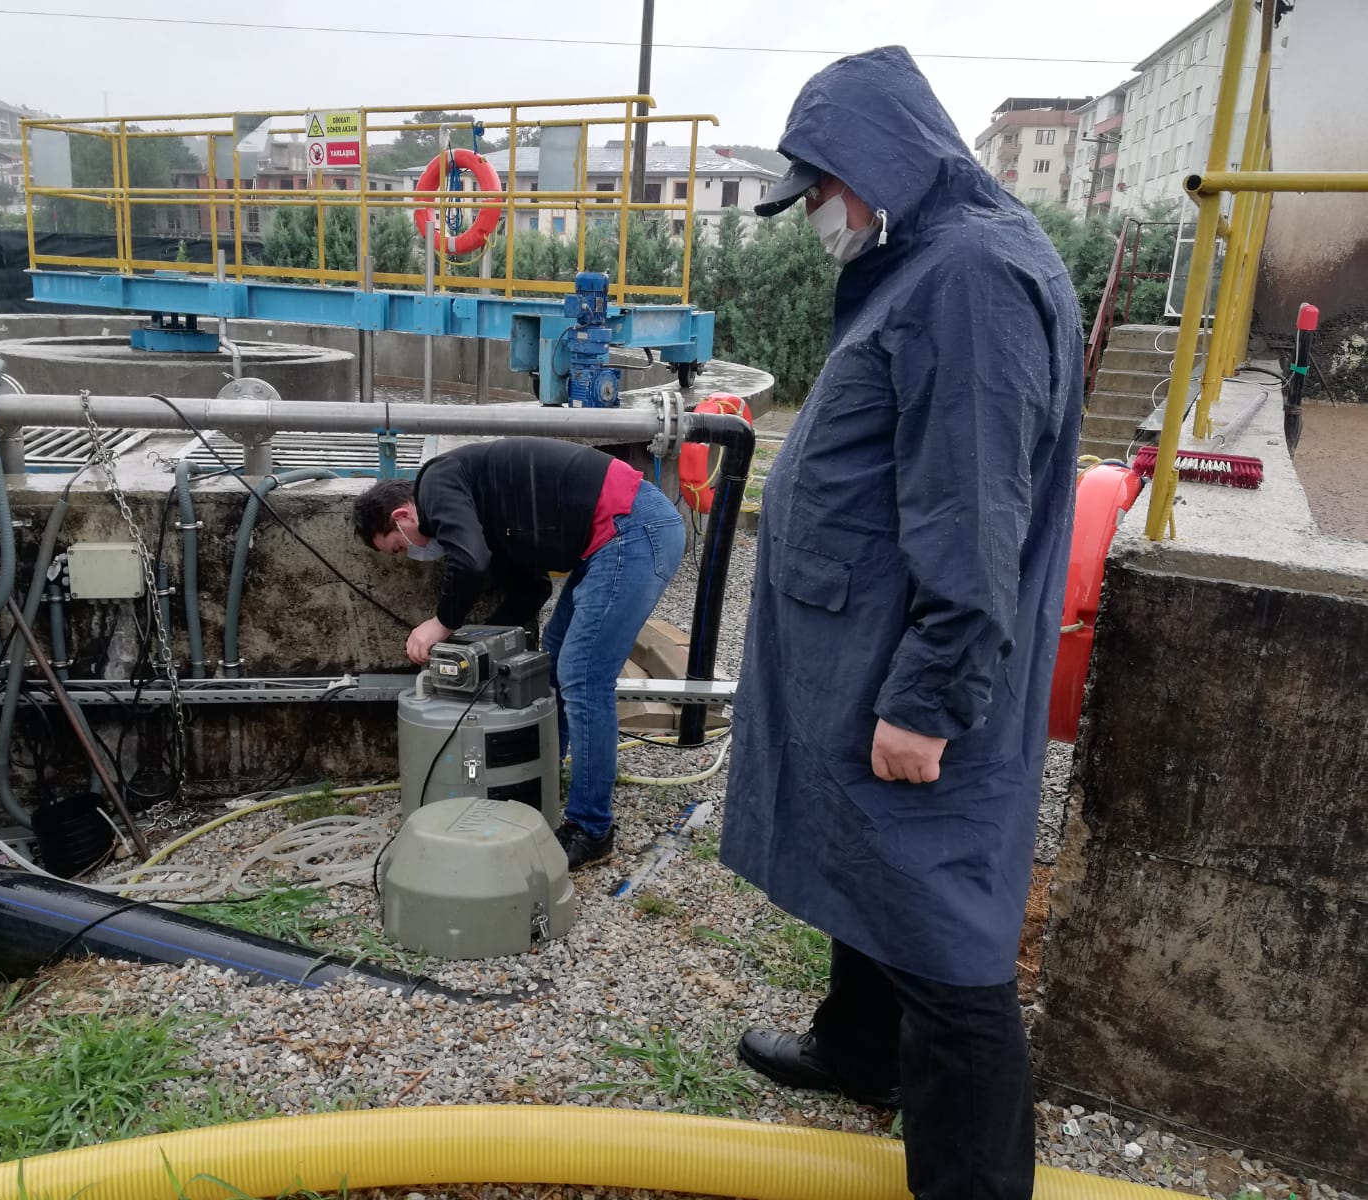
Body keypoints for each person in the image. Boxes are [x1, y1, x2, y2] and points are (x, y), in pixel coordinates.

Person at [719, 46, 1083, 1200]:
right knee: (864, 861)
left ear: (874, 164)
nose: (816, 216)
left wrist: (926, 700)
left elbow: (972, 518)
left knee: (945, 939)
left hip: (905, 666)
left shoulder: (969, 280)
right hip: (859, 645)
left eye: (819, 191)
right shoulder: (925, 256)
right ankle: (858, 1050)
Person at [353, 436, 685, 869]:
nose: (412, 555)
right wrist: (476, 645)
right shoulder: (483, 508)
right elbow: (533, 588)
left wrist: (442, 623)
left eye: (399, 546)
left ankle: (591, 829)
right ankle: (546, 775)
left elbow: (469, 562)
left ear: (402, 515)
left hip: (631, 528)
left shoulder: (436, 482)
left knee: (583, 678)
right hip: (614, 538)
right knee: (555, 660)